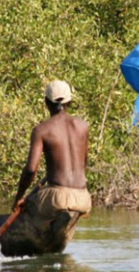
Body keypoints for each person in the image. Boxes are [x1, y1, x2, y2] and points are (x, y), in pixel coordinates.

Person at [13, 80, 91, 219]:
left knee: (27, 208)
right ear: (70, 102)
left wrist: (19, 197)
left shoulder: (41, 130)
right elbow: (84, 163)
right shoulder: (83, 126)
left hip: (57, 199)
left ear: (46, 102)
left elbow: (31, 170)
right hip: (83, 198)